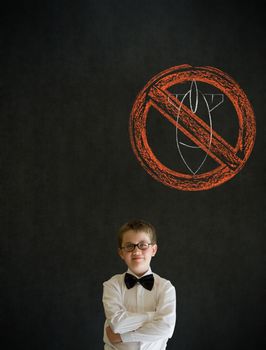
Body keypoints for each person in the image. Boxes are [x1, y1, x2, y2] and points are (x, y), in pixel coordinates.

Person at [102, 219, 176, 349]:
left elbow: (165, 328)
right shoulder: (111, 285)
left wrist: (122, 337)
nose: (136, 251)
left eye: (143, 245)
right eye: (129, 246)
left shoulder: (165, 287)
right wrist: (153, 316)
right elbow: (117, 324)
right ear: (121, 253)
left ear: (153, 250)